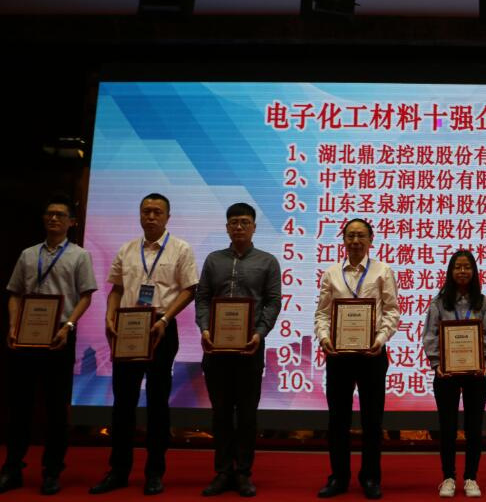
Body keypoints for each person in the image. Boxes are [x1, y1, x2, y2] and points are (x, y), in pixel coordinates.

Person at [90, 193, 198, 496]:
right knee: (122, 403)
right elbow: (116, 289)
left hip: (161, 330)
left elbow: (189, 290)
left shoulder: (181, 249)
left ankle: (154, 472)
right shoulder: (127, 249)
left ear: (167, 217)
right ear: (139, 215)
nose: (151, 217)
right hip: (128, 330)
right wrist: (109, 317)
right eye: (146, 211)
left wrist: (165, 319)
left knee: (157, 403)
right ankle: (118, 471)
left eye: (157, 212)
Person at [0, 195, 98, 496]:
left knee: (56, 409)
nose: (54, 219)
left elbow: (86, 295)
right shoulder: (28, 254)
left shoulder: (80, 256)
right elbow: (15, 293)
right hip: (26, 336)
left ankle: (52, 471)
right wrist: (13, 326)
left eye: (60, 215)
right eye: (49, 214)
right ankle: (12, 468)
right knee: (19, 406)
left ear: (72, 222)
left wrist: (69, 326)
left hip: (59, 337)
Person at [196, 203, 282, 497]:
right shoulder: (213, 260)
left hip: (250, 348)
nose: (239, 227)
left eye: (245, 222)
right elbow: (202, 298)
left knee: (246, 415)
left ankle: (243, 472)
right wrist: (205, 329)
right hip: (216, 349)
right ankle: (222, 472)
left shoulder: (267, 261)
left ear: (254, 227)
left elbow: (273, 302)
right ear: (227, 227)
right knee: (220, 414)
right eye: (234, 222)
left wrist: (260, 333)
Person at [314, 218, 400, 500]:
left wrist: (380, 340)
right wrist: (324, 338)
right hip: (338, 356)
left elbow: (392, 311)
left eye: (361, 235)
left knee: (372, 421)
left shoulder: (382, 271)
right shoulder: (331, 273)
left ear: (371, 240)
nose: (355, 241)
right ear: (343, 240)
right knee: (337, 420)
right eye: (350, 235)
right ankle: (338, 477)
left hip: (371, 355)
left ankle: (371, 477)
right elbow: (323, 313)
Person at [423, 250, 486, 498]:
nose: (463, 271)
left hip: (476, 373)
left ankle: (470, 478)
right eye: (458, 267)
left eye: (467, 267)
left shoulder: (484, 303)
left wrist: (485, 361)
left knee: (474, 427)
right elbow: (430, 335)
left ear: (474, 272)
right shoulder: (438, 302)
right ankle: (448, 477)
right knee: (447, 427)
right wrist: (437, 364)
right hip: (446, 374)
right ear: (451, 271)